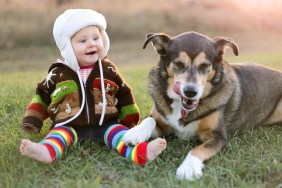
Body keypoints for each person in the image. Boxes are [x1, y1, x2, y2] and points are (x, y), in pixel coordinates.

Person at [19, 9, 166, 165]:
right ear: (67, 47)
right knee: (57, 136)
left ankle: (142, 152)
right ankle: (46, 151)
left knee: (121, 136)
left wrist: (130, 118)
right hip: (69, 124)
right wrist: (33, 119)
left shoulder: (108, 69)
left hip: (106, 123)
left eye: (96, 38)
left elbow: (124, 93)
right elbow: (42, 95)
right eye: (82, 41)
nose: (91, 44)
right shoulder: (58, 73)